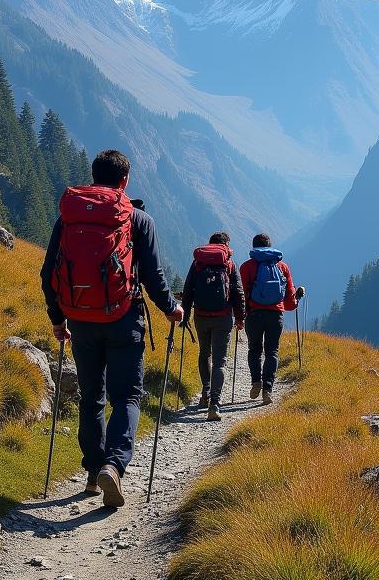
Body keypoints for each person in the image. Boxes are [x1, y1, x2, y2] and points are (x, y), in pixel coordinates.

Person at [40, 149, 183, 508]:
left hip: (81, 320)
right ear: (124, 181)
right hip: (123, 319)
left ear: (93, 176)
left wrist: (58, 320)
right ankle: (114, 465)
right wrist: (171, 309)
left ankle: (92, 473)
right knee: (128, 397)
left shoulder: (69, 217)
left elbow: (48, 274)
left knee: (92, 398)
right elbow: (153, 276)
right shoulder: (138, 219)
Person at [180, 232, 245, 421]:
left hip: (201, 316)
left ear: (210, 244)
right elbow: (238, 292)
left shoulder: (198, 263)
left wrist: (184, 315)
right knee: (220, 361)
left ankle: (205, 393)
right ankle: (214, 405)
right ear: (226, 245)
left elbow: (188, 289)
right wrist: (240, 318)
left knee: (204, 353)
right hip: (223, 317)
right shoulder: (229, 264)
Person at [239, 233, 305, 405]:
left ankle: (256, 381)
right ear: (270, 247)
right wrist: (297, 299)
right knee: (272, 352)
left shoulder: (246, 267)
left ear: (254, 248)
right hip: (275, 315)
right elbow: (290, 303)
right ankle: (267, 389)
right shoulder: (282, 267)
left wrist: (240, 315)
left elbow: (243, 295)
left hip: (254, 315)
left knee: (254, 349)